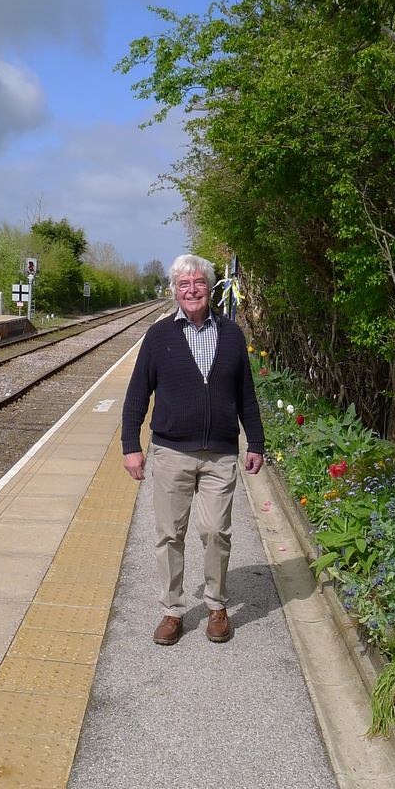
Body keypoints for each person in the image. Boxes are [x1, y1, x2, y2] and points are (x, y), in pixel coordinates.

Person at [122, 254, 265, 645]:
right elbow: (137, 393)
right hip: (171, 452)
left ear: (210, 287)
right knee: (169, 534)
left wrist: (256, 441)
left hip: (220, 453)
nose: (191, 290)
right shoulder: (159, 336)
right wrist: (131, 445)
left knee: (216, 530)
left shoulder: (232, 333)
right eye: (183, 285)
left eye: (198, 283)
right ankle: (172, 611)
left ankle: (217, 605)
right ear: (174, 291)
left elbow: (245, 395)